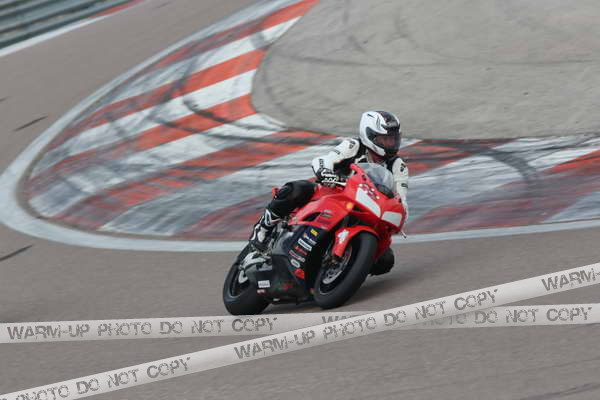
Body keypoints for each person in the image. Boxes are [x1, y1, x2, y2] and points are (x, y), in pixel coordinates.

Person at [248, 110, 409, 275]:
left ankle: (344, 270)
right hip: (333, 194)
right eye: (385, 139)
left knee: (385, 260)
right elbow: (324, 160)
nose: (391, 143)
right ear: (370, 135)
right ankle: (263, 230)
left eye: (394, 139)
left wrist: (400, 213)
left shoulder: (398, 166)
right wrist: (325, 171)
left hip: (366, 208)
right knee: (297, 189)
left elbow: (401, 199)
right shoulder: (353, 146)